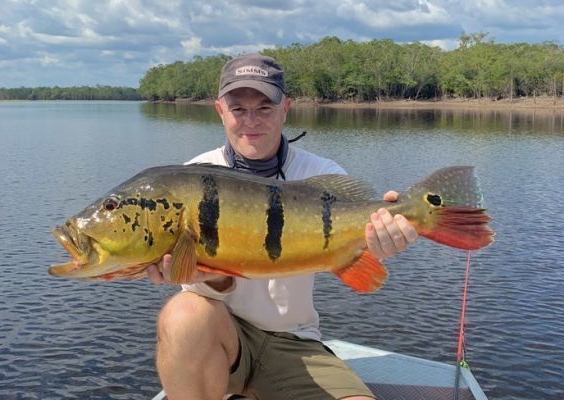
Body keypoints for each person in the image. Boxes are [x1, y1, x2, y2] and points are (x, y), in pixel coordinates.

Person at [146, 54, 418, 400]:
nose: (251, 121)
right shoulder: (194, 175)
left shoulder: (321, 175)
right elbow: (202, 297)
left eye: (264, 108)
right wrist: (209, 275)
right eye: (238, 109)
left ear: (286, 108)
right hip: (221, 342)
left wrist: (384, 236)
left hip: (296, 342)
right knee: (182, 314)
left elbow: (358, 246)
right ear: (220, 111)